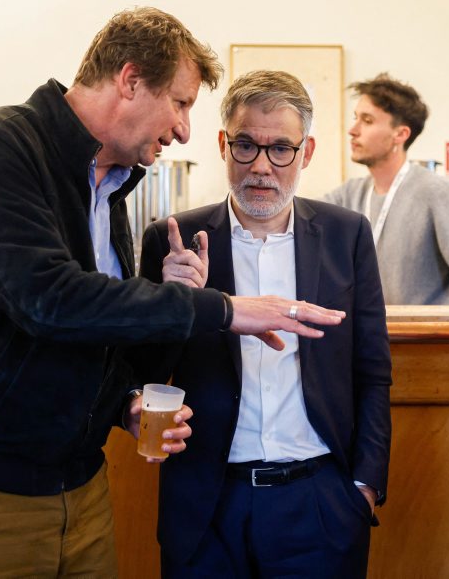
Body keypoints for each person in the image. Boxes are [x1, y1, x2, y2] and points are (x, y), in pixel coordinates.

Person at [0, 9, 344, 578]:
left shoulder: (109, 189)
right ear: (130, 80)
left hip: (81, 491)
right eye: (180, 103)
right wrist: (224, 309)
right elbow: (49, 301)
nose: (184, 130)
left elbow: (91, 338)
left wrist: (124, 401)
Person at [130, 70, 392, 578]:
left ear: (306, 152)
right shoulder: (173, 240)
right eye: (246, 145)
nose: (262, 167)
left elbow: (373, 371)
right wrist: (174, 302)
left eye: (281, 149)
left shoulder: (347, 235)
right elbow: (145, 371)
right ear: (223, 145)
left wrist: (365, 485)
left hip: (320, 501)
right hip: (207, 504)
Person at [325, 73, 449, 305]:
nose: (353, 130)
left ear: (400, 134)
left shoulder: (437, 193)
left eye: (367, 121)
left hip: (426, 328)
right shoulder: (350, 194)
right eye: (356, 118)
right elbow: (297, 213)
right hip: (376, 327)